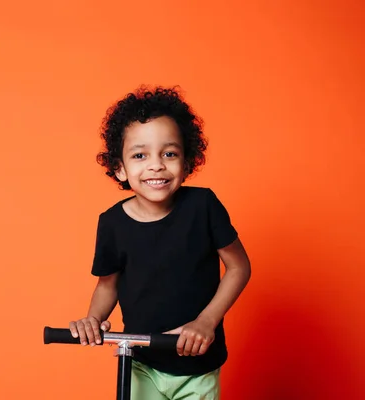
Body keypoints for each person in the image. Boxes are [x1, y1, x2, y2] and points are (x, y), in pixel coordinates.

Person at [69, 86, 251, 399]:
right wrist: (93, 319)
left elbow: (239, 267)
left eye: (169, 153)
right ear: (120, 168)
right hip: (142, 364)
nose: (156, 165)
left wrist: (207, 321)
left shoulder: (203, 206)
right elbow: (108, 285)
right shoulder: (112, 223)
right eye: (140, 155)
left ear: (187, 160)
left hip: (198, 366)